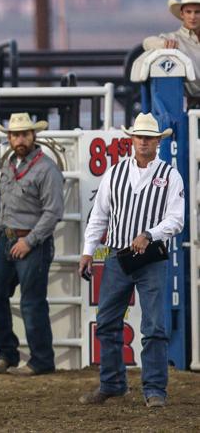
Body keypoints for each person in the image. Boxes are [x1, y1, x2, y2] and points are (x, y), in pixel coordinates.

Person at [78, 113, 184, 408]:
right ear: (132, 139)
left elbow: (176, 220)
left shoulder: (170, 175)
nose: (144, 142)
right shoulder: (115, 172)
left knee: (154, 327)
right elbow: (99, 215)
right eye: (140, 137)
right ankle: (113, 384)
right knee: (107, 322)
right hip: (118, 255)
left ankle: (154, 390)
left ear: (157, 141)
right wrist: (88, 251)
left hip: (150, 258)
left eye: (149, 138)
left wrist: (150, 233)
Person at [0, 113, 64, 376]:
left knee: (31, 302)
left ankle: (41, 360)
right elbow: (4, 206)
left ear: (33, 136)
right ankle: (6, 354)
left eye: (24, 134)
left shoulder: (47, 168)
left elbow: (53, 212)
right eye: (15, 135)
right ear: (9, 138)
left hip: (32, 243)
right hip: (7, 239)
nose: (20, 139)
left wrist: (28, 242)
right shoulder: (8, 166)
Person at [142, 0, 200, 102]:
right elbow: (147, 42)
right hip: (194, 102)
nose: (193, 17)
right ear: (182, 14)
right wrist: (164, 44)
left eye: (197, 12)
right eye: (189, 12)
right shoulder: (174, 38)